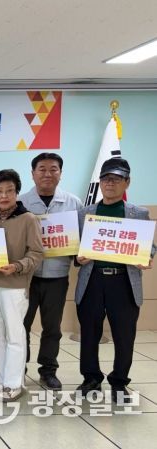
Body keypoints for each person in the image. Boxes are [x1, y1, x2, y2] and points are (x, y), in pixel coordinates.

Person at [75, 158, 155, 404]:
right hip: (92, 281)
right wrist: (78, 257)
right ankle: (91, 378)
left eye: (116, 179)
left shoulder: (138, 213)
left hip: (124, 282)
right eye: (106, 179)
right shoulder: (85, 213)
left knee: (124, 335)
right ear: (100, 182)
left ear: (126, 183)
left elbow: (150, 247)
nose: (110, 183)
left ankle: (119, 382)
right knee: (89, 333)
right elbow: (75, 248)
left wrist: (147, 256)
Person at [19, 153, 83, 390]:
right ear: (33, 173)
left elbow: (82, 237)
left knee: (52, 328)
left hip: (57, 276)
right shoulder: (21, 203)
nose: (48, 174)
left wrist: (80, 254)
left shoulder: (73, 203)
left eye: (53, 169)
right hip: (26, 277)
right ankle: (18, 368)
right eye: (42, 169)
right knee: (21, 326)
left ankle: (48, 370)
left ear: (60, 173)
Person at [0, 169, 43, 402]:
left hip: (15, 286)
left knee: (15, 335)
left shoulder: (28, 219)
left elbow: (37, 253)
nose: (4, 196)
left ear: (17, 193)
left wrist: (17, 266)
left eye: (9, 191)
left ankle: (14, 383)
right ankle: (1, 377)